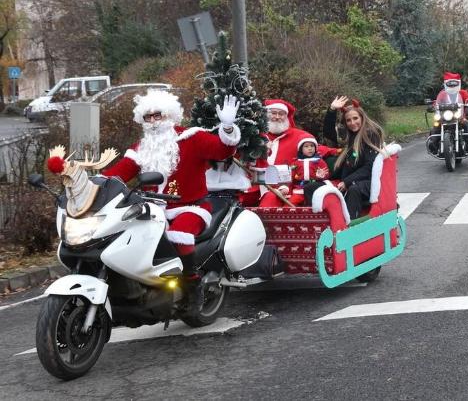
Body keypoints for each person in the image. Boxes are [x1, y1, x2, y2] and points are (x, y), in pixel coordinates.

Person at [102, 90, 240, 306]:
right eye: (148, 117)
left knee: (179, 235)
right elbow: (118, 173)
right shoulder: (142, 147)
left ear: (170, 115)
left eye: (158, 115)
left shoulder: (192, 138)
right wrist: (86, 182)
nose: (153, 121)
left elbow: (222, 151)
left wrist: (228, 128)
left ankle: (192, 286)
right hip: (151, 210)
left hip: (191, 207)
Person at [245, 99, 336, 208]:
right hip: (253, 187)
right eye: (273, 113)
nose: (277, 117)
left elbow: (315, 149)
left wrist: (339, 151)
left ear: (286, 117)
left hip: (281, 189)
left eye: (281, 114)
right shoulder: (255, 135)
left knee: (269, 203)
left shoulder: (299, 136)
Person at [320, 96, 385, 220]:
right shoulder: (349, 135)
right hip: (349, 178)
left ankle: (350, 223)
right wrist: (332, 110)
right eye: (348, 120)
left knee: (354, 189)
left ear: (362, 118)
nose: (352, 123)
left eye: (355, 118)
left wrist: (347, 181)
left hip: (369, 181)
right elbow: (329, 133)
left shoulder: (371, 134)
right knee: (318, 186)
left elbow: (369, 166)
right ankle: (326, 222)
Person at [428, 72, 468, 154]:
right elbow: (437, 102)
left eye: (454, 84)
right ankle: (433, 146)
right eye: (450, 84)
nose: (452, 86)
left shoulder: (462, 92)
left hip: (459, 117)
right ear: (446, 84)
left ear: (458, 83)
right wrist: (432, 106)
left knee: (467, 126)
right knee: (435, 128)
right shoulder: (442, 93)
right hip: (444, 118)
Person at [286, 137, 330, 206]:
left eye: (312, 146)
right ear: (301, 149)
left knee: (315, 205)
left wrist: (321, 176)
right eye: (306, 146)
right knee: (289, 205)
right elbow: (290, 178)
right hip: (299, 190)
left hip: (314, 190)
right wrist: (288, 192)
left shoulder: (319, 161)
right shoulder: (296, 163)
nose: (310, 148)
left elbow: (326, 174)